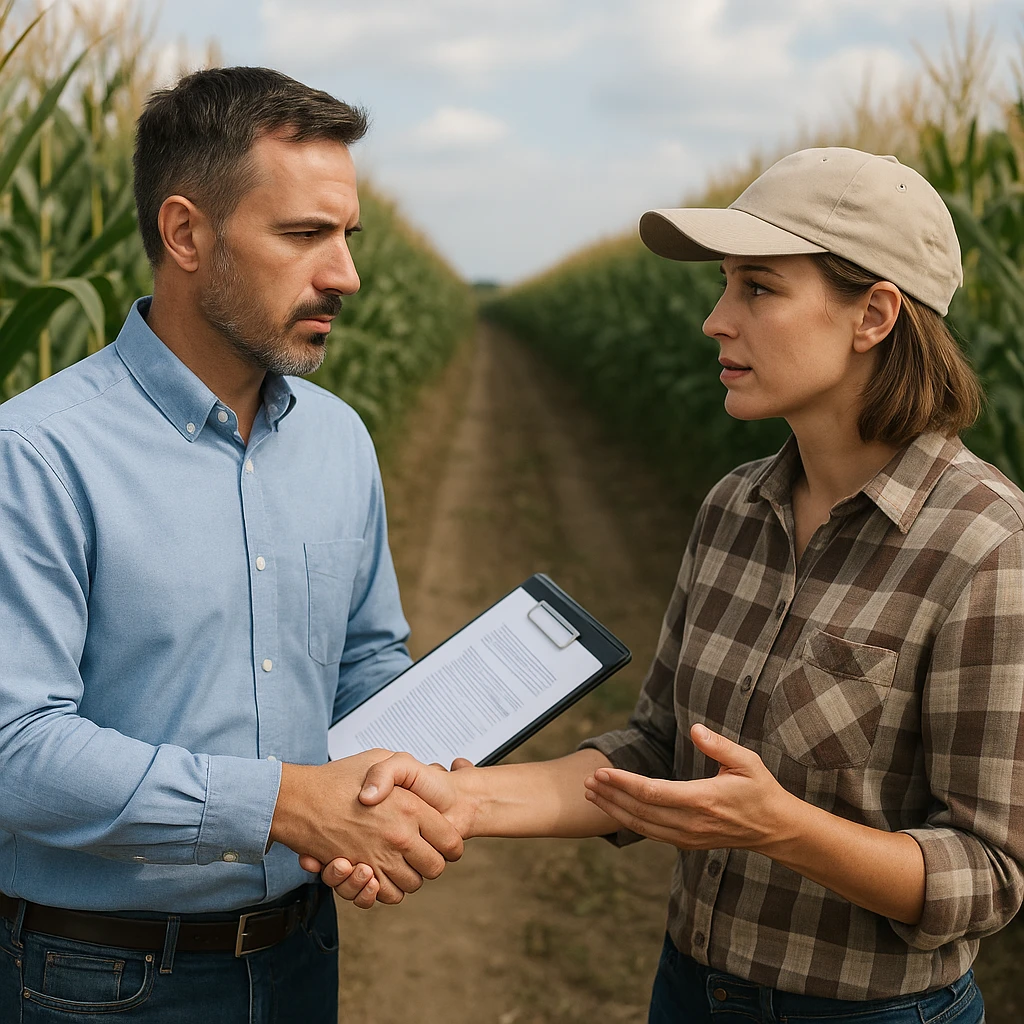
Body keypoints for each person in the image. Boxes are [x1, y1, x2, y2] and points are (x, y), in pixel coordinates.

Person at [318, 148, 1023, 1022]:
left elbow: (988, 876)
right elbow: (656, 754)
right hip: (690, 989)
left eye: (758, 288)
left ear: (873, 313)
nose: (716, 320)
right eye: (724, 285)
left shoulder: (986, 546)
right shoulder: (735, 507)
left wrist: (784, 829)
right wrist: (451, 797)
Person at [0, 67, 463, 1022]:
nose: (345, 273)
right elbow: (15, 748)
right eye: (303, 235)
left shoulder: (340, 439)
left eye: (347, 236)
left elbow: (367, 659)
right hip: (92, 980)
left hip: (299, 957)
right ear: (185, 234)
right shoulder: (37, 455)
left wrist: (380, 799)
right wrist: (288, 804)